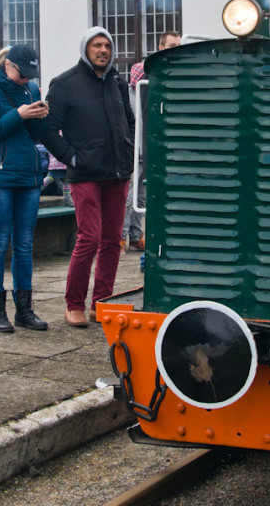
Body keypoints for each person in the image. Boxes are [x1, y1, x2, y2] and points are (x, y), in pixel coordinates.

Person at [44, 28, 134, 328]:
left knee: (112, 240)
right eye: (97, 45)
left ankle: (101, 303)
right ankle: (74, 303)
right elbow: (47, 129)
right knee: (89, 237)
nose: (103, 50)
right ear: (86, 49)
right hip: (85, 174)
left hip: (118, 172)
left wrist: (129, 149)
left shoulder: (117, 82)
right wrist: (71, 156)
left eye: (107, 45)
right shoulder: (64, 83)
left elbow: (130, 122)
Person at [0, 45, 49, 332]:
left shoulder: (31, 90)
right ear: (8, 66)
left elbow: (37, 135)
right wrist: (18, 115)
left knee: (25, 245)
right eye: (22, 74)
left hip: (27, 177)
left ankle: (25, 310)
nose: (25, 80)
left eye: (30, 75)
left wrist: (41, 117)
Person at [123, 31, 181, 253]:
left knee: (142, 196)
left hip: (151, 147)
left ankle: (136, 235)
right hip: (136, 147)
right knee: (129, 195)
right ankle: (121, 237)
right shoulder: (145, 77)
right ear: (160, 46)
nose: (175, 48)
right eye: (171, 45)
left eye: (178, 45)